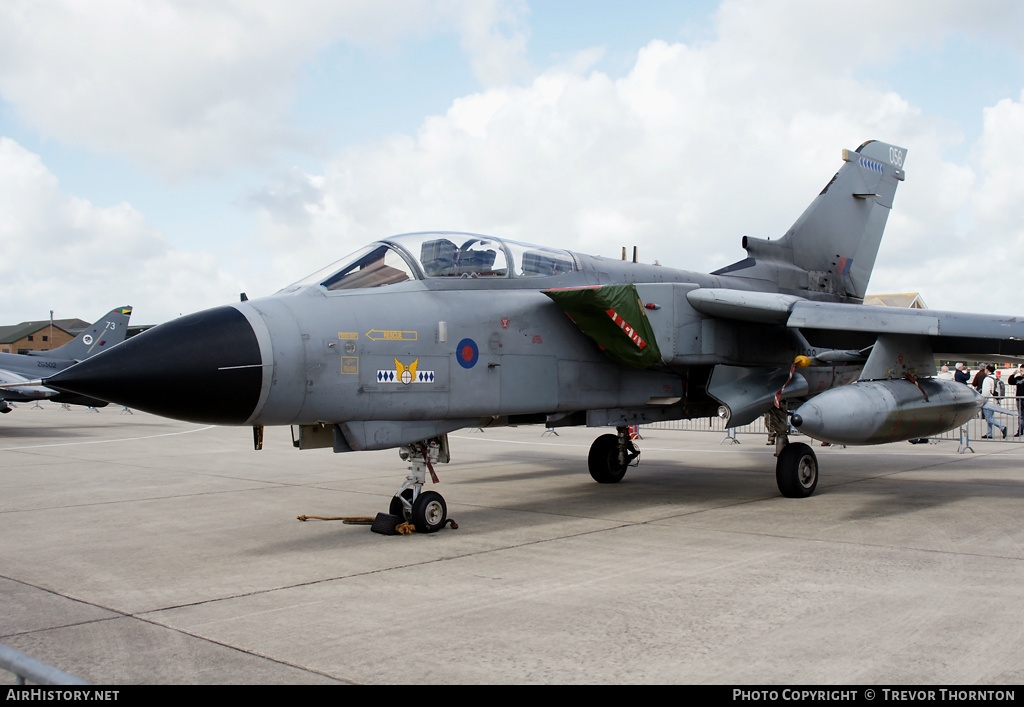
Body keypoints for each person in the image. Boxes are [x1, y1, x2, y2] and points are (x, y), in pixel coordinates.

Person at [981, 364, 1008, 439]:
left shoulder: (987, 379)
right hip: (994, 400)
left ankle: (1002, 427)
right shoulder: (996, 377)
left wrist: (983, 399)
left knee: (988, 418)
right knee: (990, 417)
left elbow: (985, 392)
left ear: (987, 370)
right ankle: (989, 433)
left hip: (988, 400)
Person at [1008, 365, 1024, 437]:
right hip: (1019, 399)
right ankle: (1020, 430)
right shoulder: (1018, 378)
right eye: (1020, 371)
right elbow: (1011, 382)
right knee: (1020, 415)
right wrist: (1013, 374)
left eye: (1022, 370)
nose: (1021, 372)